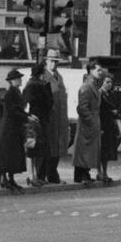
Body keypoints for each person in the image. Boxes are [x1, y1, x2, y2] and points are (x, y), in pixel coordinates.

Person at [0, 67, 29, 192]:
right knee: (8, 154)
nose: (20, 80)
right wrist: (27, 117)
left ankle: (10, 178)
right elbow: (14, 111)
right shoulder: (11, 93)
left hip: (13, 127)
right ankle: (5, 178)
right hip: (10, 128)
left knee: (12, 155)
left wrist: (26, 116)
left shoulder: (15, 92)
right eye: (18, 78)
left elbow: (18, 110)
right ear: (12, 81)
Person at [72, 59, 105, 184]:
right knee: (84, 150)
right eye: (98, 70)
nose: (100, 72)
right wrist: (90, 121)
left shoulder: (94, 85)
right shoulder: (87, 86)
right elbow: (82, 107)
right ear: (91, 71)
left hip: (93, 121)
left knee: (89, 150)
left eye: (101, 70)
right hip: (88, 123)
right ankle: (80, 174)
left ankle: (85, 173)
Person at [22, 60, 55, 187]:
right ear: (41, 74)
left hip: (36, 119)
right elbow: (49, 103)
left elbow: (24, 103)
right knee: (34, 149)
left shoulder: (32, 85)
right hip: (37, 120)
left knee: (34, 149)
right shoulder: (39, 86)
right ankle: (33, 176)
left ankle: (34, 176)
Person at [41, 50, 69, 184]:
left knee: (57, 147)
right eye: (51, 61)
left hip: (59, 118)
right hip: (49, 118)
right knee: (48, 147)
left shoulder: (60, 77)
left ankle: (52, 172)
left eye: (56, 61)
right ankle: (45, 173)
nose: (54, 64)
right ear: (46, 61)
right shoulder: (43, 77)